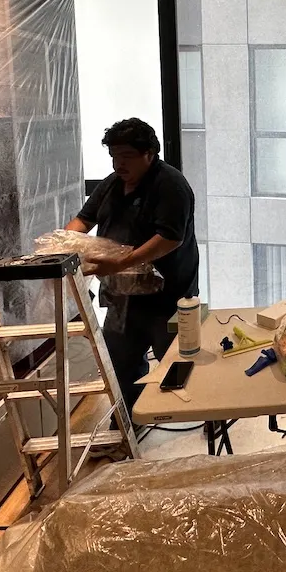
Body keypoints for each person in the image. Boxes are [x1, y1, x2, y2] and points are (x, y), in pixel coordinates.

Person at [66, 118, 198, 422]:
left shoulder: (171, 185)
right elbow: (84, 220)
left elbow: (170, 238)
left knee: (177, 364)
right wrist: (63, 245)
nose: (119, 164)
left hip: (168, 298)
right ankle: (126, 426)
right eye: (114, 156)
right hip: (123, 298)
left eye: (126, 156)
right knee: (120, 366)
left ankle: (194, 420)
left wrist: (122, 262)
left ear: (149, 153)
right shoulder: (112, 185)